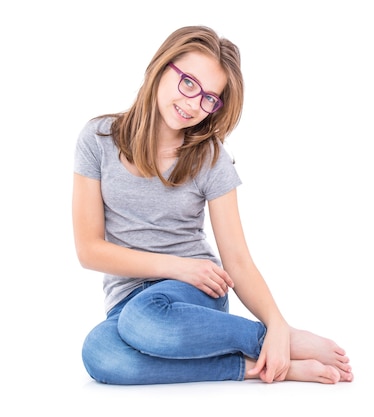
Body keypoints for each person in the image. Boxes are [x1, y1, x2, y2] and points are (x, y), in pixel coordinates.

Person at [73, 25, 353, 385]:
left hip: (195, 294)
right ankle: (255, 366)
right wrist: (177, 267)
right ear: (161, 67)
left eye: (209, 98)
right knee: (100, 353)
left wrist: (277, 323)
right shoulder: (98, 139)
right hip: (129, 301)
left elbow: (237, 260)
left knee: (143, 319)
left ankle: (272, 341)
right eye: (188, 83)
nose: (194, 104)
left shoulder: (210, 158)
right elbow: (89, 250)